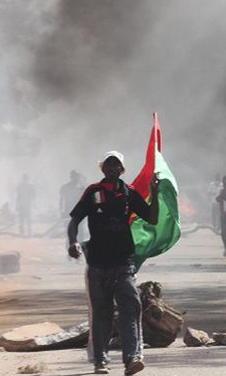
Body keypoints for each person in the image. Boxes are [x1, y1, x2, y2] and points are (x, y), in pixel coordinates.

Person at [67, 151, 159, 375]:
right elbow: (75, 220)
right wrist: (73, 242)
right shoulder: (93, 192)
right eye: (108, 164)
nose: (112, 168)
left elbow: (152, 218)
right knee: (101, 313)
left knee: (130, 308)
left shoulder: (128, 193)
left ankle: (132, 359)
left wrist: (155, 193)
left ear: (122, 170)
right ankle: (101, 361)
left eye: (116, 164)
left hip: (123, 262)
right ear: (103, 168)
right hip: (98, 263)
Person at [60, 170, 86, 240]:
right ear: (71, 177)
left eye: (77, 177)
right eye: (74, 177)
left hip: (79, 211)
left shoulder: (82, 188)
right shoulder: (65, 187)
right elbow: (61, 200)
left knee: (80, 230)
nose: (76, 179)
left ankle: (80, 243)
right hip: (68, 210)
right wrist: (61, 211)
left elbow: (86, 201)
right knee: (69, 229)